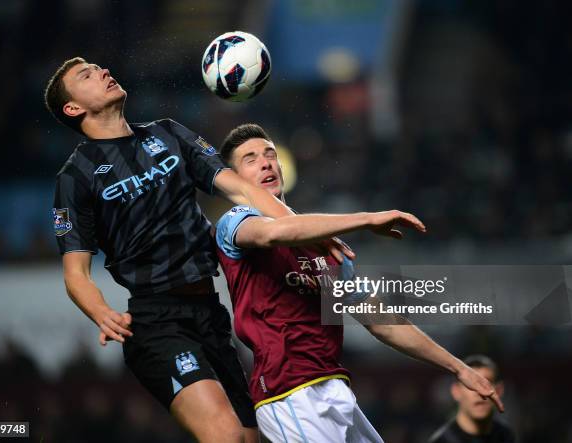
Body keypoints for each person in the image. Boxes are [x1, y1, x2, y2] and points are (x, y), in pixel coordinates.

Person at [44, 57, 351, 443]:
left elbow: (243, 189)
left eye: (100, 67)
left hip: (209, 311)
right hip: (156, 322)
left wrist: (302, 229)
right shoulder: (75, 176)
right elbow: (76, 273)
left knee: (249, 437)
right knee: (225, 435)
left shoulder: (168, 133)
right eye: (87, 75)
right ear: (73, 108)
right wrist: (101, 312)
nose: (104, 71)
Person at [214, 124, 505, 443]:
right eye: (251, 159)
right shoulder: (235, 222)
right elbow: (272, 233)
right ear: (235, 178)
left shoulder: (330, 249)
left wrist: (458, 367)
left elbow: (382, 322)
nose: (266, 162)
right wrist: (367, 219)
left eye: (270, 154)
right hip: (289, 395)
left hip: (336, 388)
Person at [429, 355, 515, 443]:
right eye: (470, 385)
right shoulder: (443, 440)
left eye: (487, 383)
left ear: (499, 390)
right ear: (456, 391)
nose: (480, 392)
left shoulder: (505, 436)